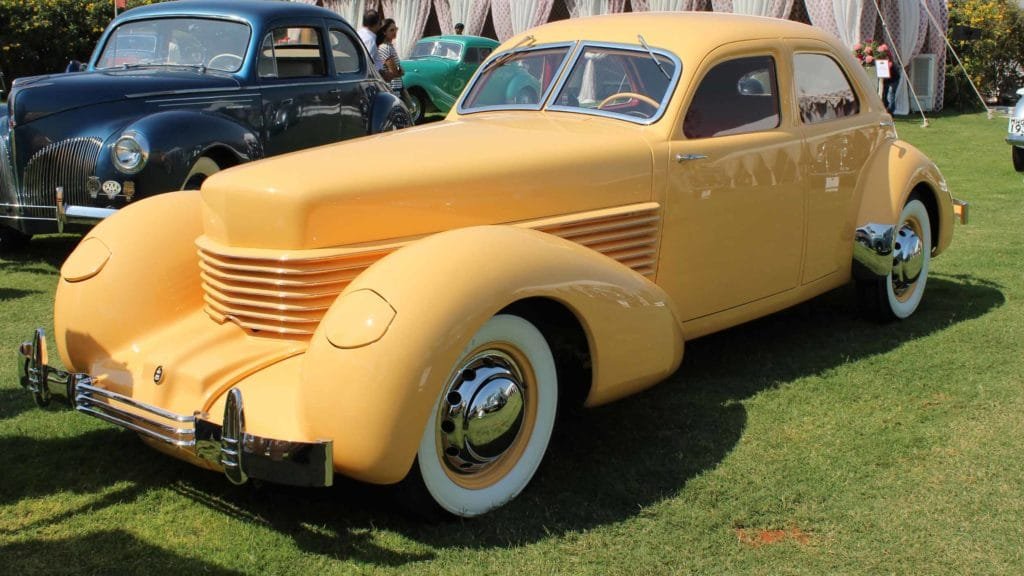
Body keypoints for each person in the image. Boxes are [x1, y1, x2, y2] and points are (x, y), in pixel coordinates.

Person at [377, 18, 408, 101]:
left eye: (395, 29)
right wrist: (400, 70)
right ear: (384, 32)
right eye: (391, 30)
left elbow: (397, 69)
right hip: (391, 89)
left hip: (397, 88)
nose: (395, 32)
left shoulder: (390, 46)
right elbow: (394, 70)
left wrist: (399, 70)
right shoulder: (385, 47)